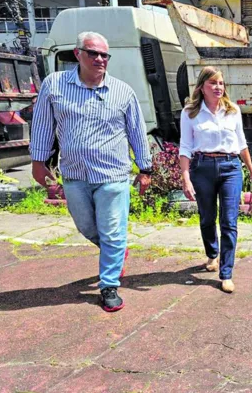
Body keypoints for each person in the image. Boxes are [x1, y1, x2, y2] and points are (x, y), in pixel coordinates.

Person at [30, 31, 152, 312]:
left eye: (104, 55)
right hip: (75, 175)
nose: (100, 59)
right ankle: (117, 251)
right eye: (93, 53)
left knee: (110, 230)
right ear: (78, 54)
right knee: (86, 227)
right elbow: (43, 125)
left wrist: (145, 169)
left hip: (113, 175)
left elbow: (137, 132)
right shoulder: (55, 85)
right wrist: (39, 161)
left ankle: (109, 285)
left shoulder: (123, 91)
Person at [179, 66, 252, 294]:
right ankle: (212, 254)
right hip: (202, 167)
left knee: (229, 221)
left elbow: (242, 143)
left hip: (230, 167)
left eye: (221, 83)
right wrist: (186, 177)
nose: (218, 87)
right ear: (202, 87)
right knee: (207, 217)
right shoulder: (190, 113)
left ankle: (226, 273)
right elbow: (185, 146)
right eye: (213, 83)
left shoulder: (232, 110)